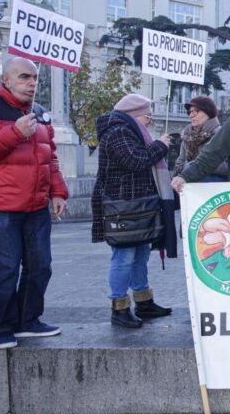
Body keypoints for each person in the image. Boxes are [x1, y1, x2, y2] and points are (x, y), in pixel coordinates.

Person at [0, 56, 68, 349]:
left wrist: (58, 191)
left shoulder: (39, 113)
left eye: (35, 78)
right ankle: (2, 326)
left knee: (41, 266)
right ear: (6, 79)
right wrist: (14, 133)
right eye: (24, 77)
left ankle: (28, 321)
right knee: (5, 269)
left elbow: (50, 156)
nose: (32, 83)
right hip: (1, 207)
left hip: (36, 206)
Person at [91, 94, 173, 328]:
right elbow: (135, 161)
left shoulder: (129, 130)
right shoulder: (118, 131)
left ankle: (144, 301)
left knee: (141, 253)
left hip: (137, 204)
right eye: (148, 116)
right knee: (124, 256)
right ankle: (119, 307)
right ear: (135, 114)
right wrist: (161, 146)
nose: (150, 121)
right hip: (122, 206)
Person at [172, 96, 227, 181]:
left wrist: (196, 167)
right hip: (189, 184)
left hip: (214, 185)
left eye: (196, 111)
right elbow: (180, 161)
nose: (191, 115)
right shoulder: (187, 135)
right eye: (190, 112)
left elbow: (228, 165)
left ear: (208, 112)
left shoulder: (220, 133)